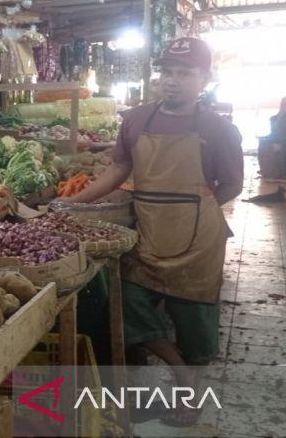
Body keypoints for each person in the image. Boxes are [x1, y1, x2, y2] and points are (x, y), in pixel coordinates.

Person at [63, 37, 243, 426]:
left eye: (185, 73)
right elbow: (118, 168)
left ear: (205, 78)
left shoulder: (219, 130)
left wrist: (194, 207)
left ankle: (189, 396)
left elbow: (231, 185)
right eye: (167, 72)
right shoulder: (136, 120)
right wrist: (75, 202)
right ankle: (180, 372)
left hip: (199, 240)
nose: (172, 80)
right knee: (129, 304)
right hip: (148, 231)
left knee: (195, 321)